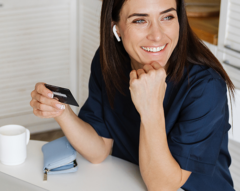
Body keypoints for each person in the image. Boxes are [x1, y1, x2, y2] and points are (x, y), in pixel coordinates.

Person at [30, 0, 235, 190]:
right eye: (140, 20)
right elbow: (99, 149)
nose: (157, 35)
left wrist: (151, 109)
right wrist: (61, 111)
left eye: (167, 17)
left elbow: (163, 186)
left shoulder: (205, 87)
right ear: (116, 27)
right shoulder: (108, 62)